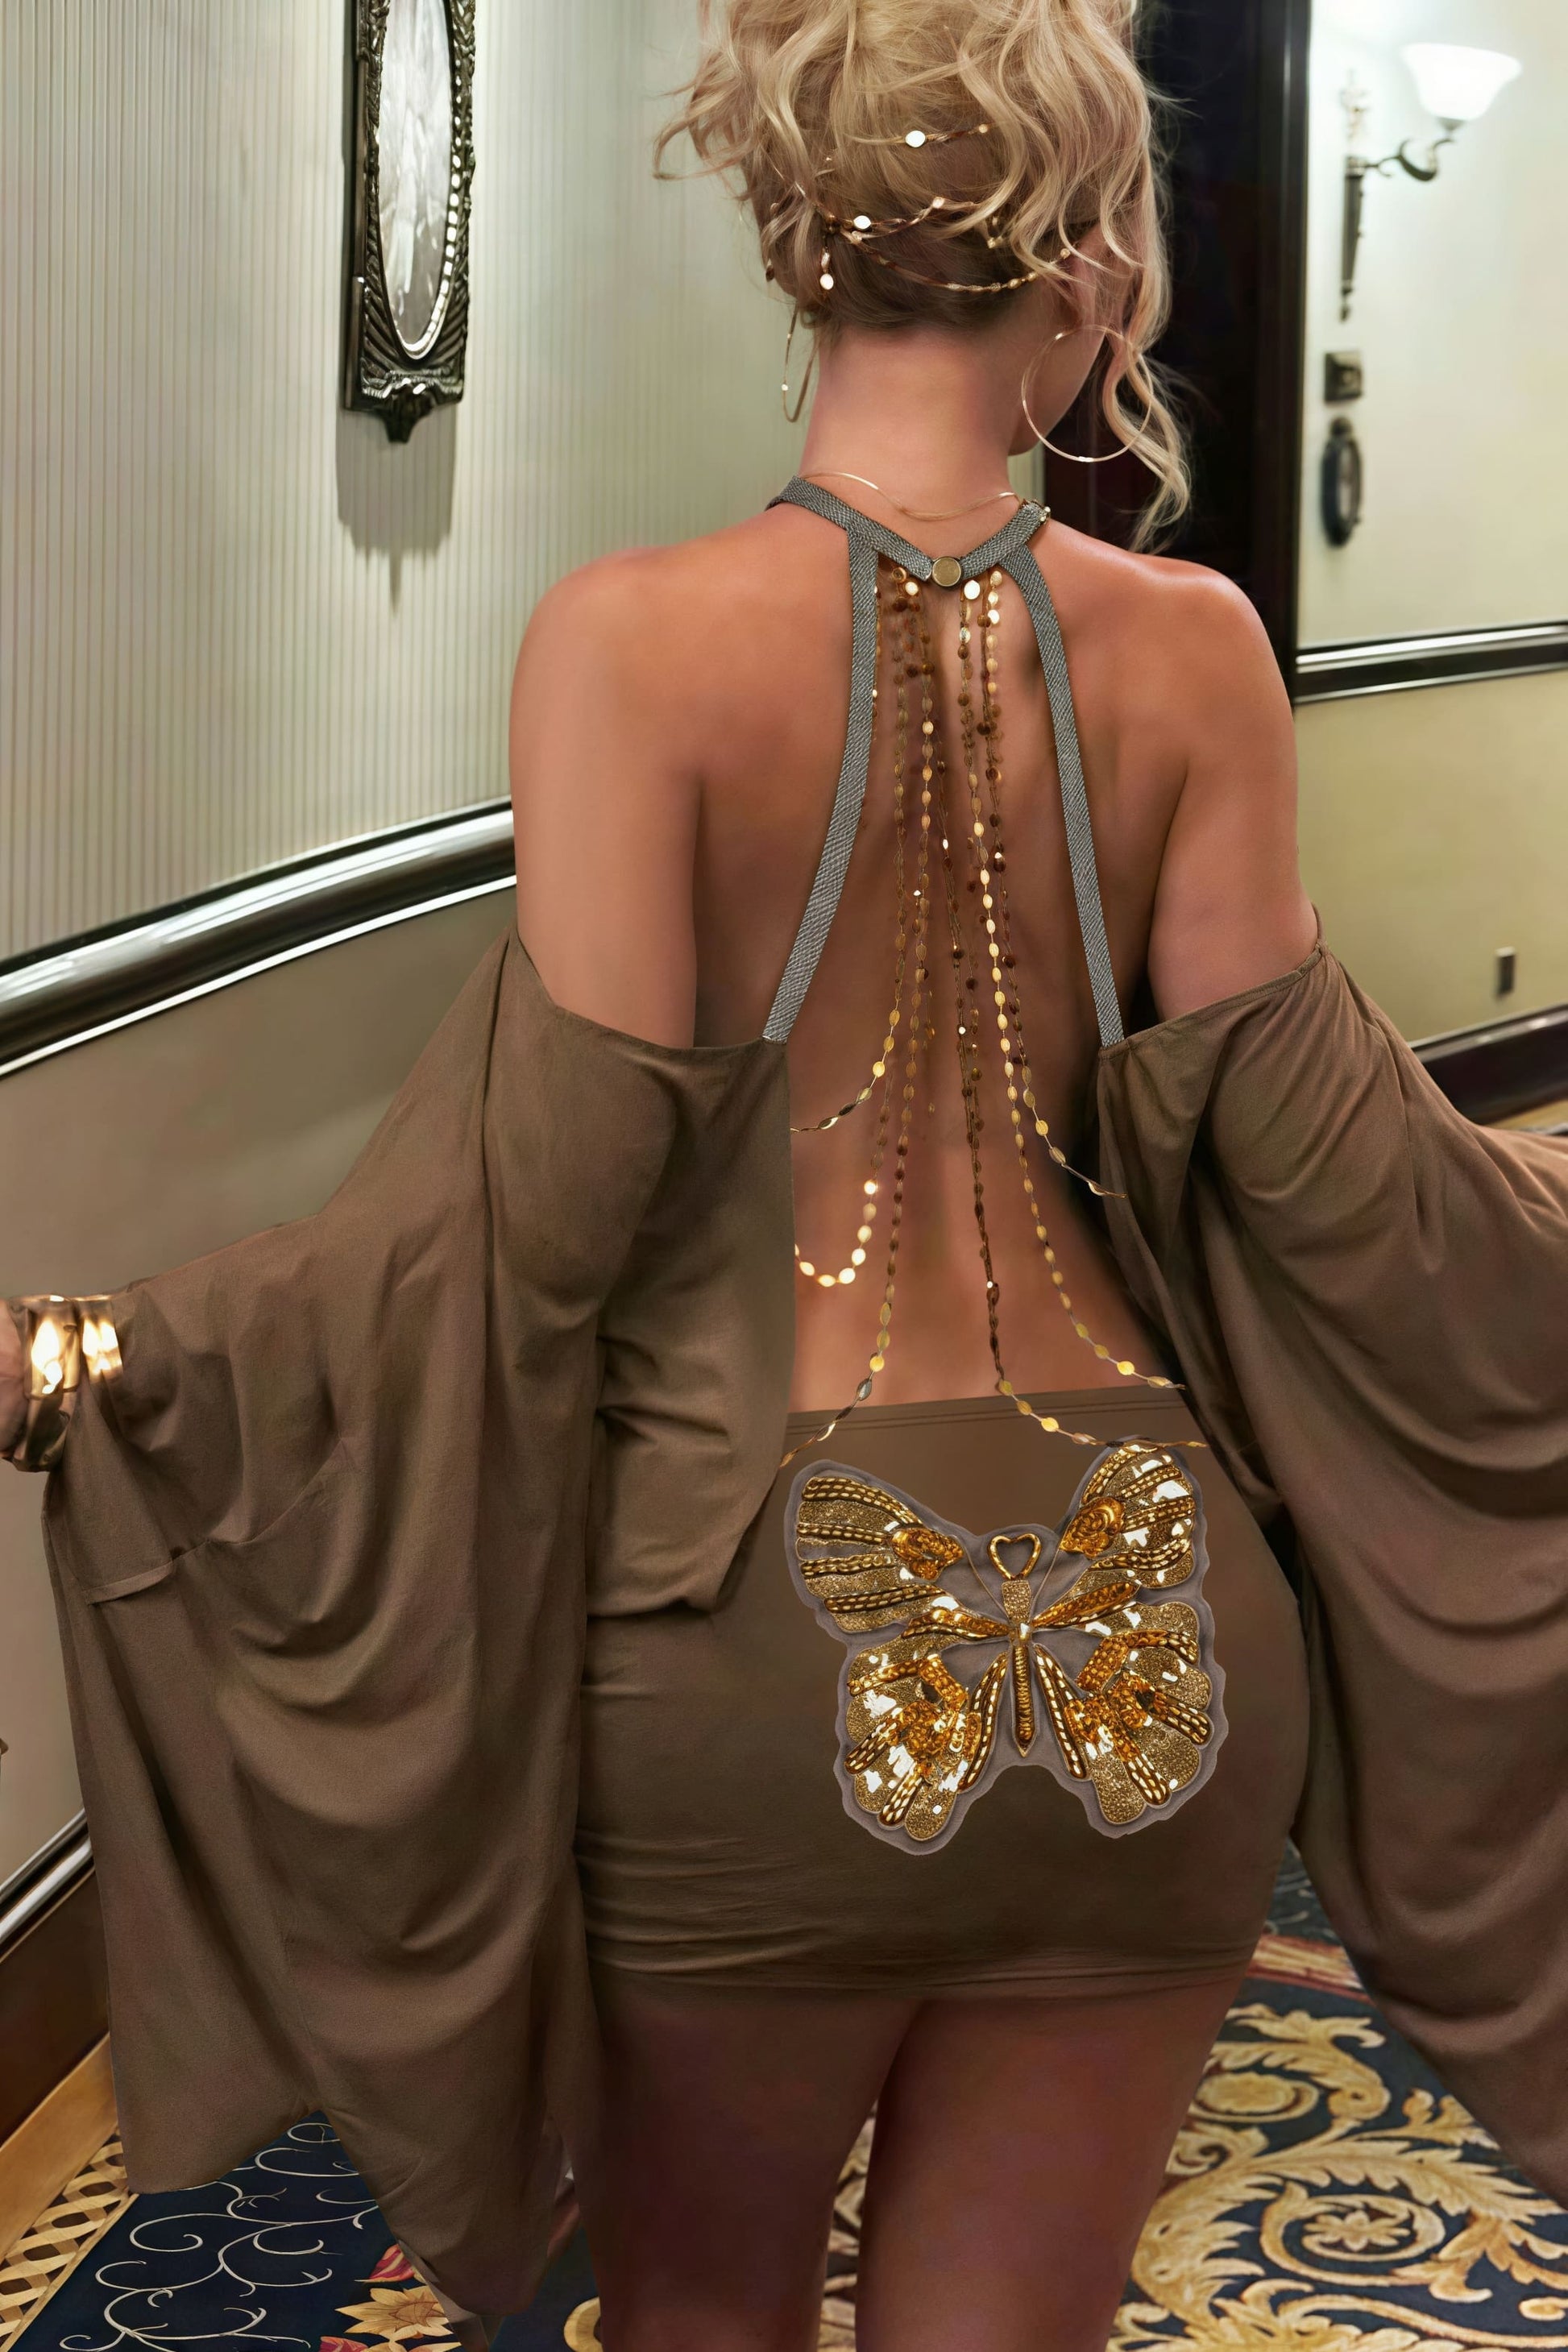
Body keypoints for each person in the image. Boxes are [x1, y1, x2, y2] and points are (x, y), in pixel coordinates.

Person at [6, 2, 1567, 2348]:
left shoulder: (628, 647)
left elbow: (535, 1215)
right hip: (1161, 1606)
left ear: (788, 246)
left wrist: (111, 1358)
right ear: (1092, 262)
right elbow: (1352, 1194)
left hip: (747, 1628)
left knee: (705, 2321)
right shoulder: (1198, 650)